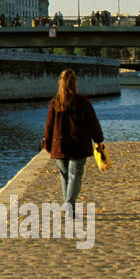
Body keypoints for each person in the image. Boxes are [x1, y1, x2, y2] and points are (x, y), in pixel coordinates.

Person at [42, 70, 105, 210]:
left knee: (65, 176)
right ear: (74, 83)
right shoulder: (83, 102)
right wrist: (98, 140)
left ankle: (68, 204)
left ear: (60, 84)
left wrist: (46, 142)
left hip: (59, 145)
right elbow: (93, 123)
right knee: (75, 175)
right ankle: (69, 204)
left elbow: (49, 126)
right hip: (79, 145)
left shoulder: (55, 103)